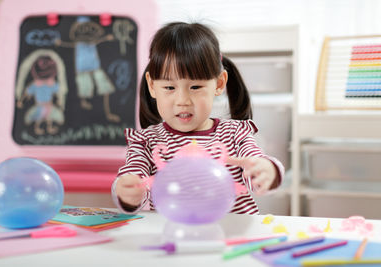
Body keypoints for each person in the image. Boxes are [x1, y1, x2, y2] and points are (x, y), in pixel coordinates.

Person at [111, 22, 284, 215]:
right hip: (174, 239)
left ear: (219, 84)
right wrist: (128, 192)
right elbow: (133, 176)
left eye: (195, 87)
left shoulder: (235, 134)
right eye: (169, 88)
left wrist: (267, 170)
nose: (183, 101)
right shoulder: (146, 142)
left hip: (232, 240)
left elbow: (254, 164)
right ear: (152, 86)